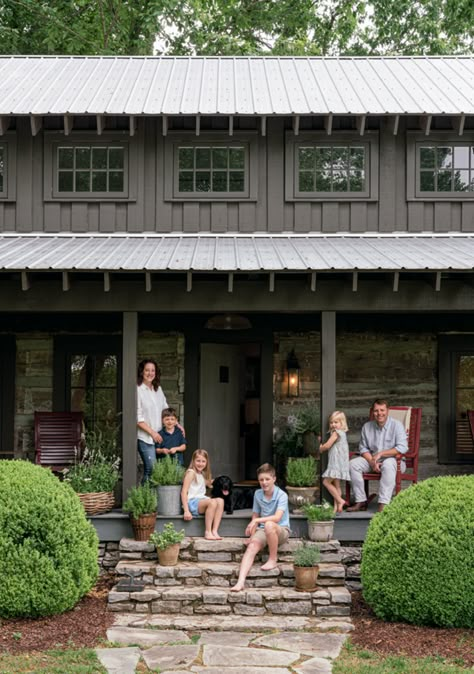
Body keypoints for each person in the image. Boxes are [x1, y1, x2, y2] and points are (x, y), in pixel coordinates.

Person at [230, 463, 290, 592]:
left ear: (274, 479)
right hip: (263, 530)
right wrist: (252, 536)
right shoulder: (258, 494)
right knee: (252, 547)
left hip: (281, 530)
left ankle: (272, 559)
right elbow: (255, 516)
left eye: (267, 479)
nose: (264, 482)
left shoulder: (282, 495)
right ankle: (240, 582)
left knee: (269, 525)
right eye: (261, 480)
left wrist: (257, 520)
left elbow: (277, 518)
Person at [347, 399, 408, 513]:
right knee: (353, 464)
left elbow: (402, 447)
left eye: (382, 410)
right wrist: (372, 461)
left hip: (395, 461)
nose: (379, 413)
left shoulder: (397, 425)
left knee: (388, 464)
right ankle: (360, 501)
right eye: (376, 411)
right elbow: (363, 448)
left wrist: (381, 453)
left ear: (387, 411)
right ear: (372, 412)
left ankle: (383, 503)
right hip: (373, 460)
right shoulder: (367, 427)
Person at [136, 358, 168, 484]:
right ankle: (144, 501)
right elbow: (138, 418)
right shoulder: (138, 390)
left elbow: (166, 409)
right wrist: (153, 433)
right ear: (141, 372)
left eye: (153, 370)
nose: (150, 373)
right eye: (147, 370)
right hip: (146, 438)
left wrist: (177, 425)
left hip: (160, 437)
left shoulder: (157, 389)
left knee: (160, 470)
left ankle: (155, 500)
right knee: (151, 469)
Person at [181, 449, 225, 540]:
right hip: (192, 502)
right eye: (198, 461)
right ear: (193, 461)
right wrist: (186, 510)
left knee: (220, 501)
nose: (200, 463)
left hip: (201, 500)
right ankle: (207, 532)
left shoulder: (202, 474)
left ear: (206, 462)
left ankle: (214, 531)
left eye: (203, 461)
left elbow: (209, 483)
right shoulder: (191, 473)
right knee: (212, 502)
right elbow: (184, 492)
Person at [319, 410, 350, 514]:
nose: (333, 425)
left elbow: (327, 445)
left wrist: (320, 448)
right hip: (341, 463)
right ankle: (336, 508)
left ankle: (340, 501)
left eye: (336, 422)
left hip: (335, 463)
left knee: (326, 482)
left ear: (342, 423)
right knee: (337, 485)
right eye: (331, 422)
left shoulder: (336, 433)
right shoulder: (343, 434)